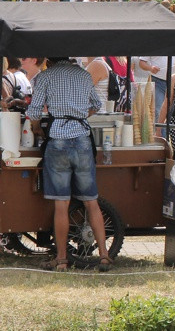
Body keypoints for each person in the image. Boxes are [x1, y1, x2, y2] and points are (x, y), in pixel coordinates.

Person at [26, 57, 112, 272]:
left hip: (57, 140)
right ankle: (104, 256)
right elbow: (97, 104)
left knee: (61, 204)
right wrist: (81, 116)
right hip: (82, 139)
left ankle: (62, 259)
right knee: (91, 202)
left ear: (50, 60)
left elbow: (34, 111)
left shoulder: (45, 76)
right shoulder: (84, 75)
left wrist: (37, 129)